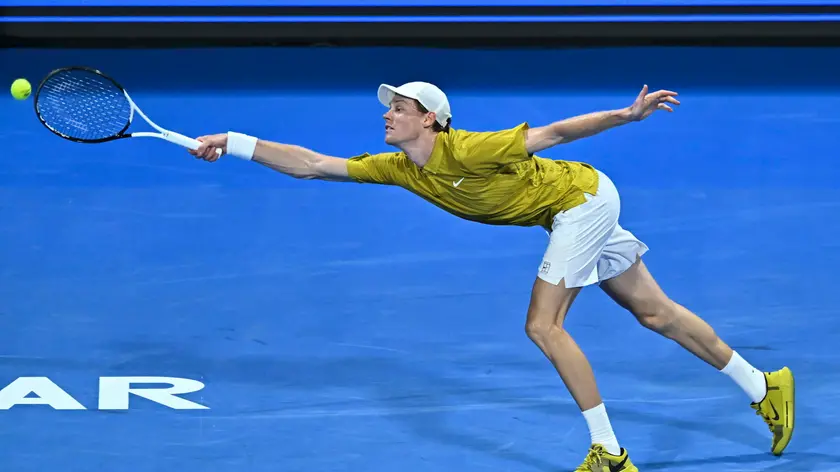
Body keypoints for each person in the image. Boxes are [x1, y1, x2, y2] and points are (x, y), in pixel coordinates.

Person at [189, 81, 795, 471]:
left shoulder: (471, 149)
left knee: (543, 326)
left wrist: (627, 115)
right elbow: (313, 165)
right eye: (389, 109)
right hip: (569, 207)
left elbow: (554, 133)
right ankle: (764, 386)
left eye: (399, 109)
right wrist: (233, 141)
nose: (388, 116)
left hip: (580, 202)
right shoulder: (401, 168)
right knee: (655, 313)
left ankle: (608, 453)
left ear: (430, 120)